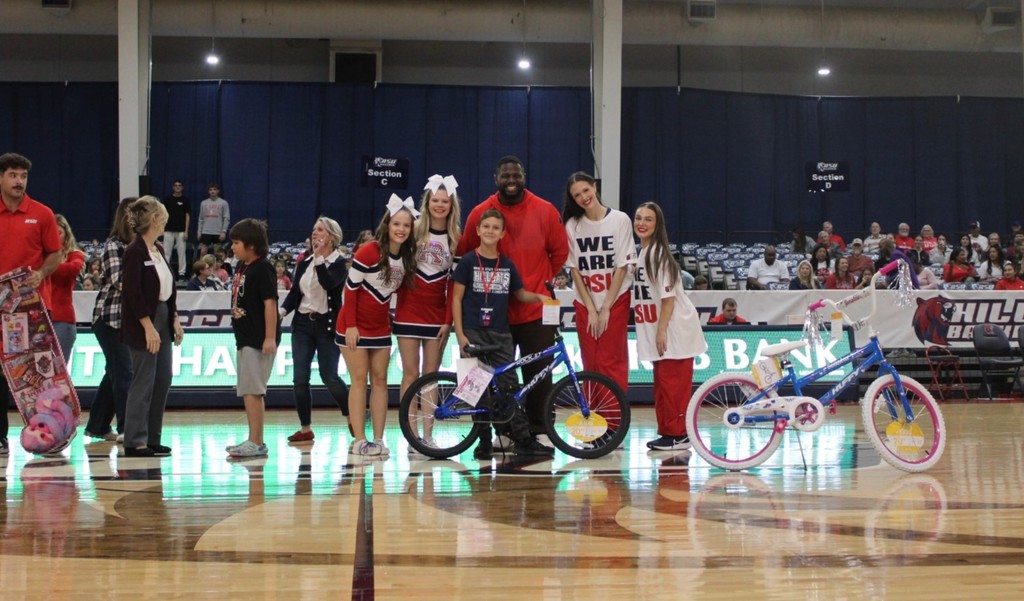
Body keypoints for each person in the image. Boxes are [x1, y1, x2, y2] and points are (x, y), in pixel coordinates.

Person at [455, 156, 569, 446]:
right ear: (496, 178)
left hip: (534, 309)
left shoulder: (545, 210)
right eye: (505, 176)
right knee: (493, 377)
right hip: (493, 314)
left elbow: (560, 252)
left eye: (516, 175)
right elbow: (467, 252)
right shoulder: (481, 213)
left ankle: (540, 429)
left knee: (539, 373)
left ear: (524, 176)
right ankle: (503, 432)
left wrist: (539, 281)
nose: (511, 181)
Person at [451, 208, 554, 459]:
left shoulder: (506, 265)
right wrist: (460, 334)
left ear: (502, 233)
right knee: (475, 389)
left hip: (500, 334)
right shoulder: (467, 262)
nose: (490, 231)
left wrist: (540, 297)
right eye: (486, 226)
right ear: (478, 230)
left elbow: (520, 294)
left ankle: (523, 439)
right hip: (473, 332)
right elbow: (456, 298)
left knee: (510, 388)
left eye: (495, 227)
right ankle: (483, 442)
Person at [336, 195, 418, 457]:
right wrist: (351, 325)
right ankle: (360, 440)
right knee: (359, 380)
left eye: (406, 225)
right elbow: (350, 289)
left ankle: (380, 439)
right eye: (397, 224)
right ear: (387, 224)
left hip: (380, 327)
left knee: (381, 380)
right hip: (354, 326)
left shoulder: (407, 256)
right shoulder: (369, 251)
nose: (401, 229)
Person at [632, 202, 708, 451]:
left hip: (674, 329)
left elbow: (668, 298)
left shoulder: (659, 254)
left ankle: (679, 434)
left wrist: (661, 330)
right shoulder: (643, 252)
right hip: (662, 327)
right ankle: (668, 432)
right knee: (663, 384)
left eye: (648, 219)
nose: (641, 223)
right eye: (638, 218)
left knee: (674, 385)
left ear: (658, 225)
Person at [393, 175, 461, 453]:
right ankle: (411, 437)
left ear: (451, 204)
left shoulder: (456, 237)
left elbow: (454, 284)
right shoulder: (414, 229)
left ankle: (428, 435)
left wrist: (448, 320)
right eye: (435, 200)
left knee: (430, 375)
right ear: (427, 202)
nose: (440, 205)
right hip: (408, 309)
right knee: (410, 374)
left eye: (445, 201)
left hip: (436, 314)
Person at [0, 153, 62, 455]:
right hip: (1, 310)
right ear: (1, 178)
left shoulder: (42, 213)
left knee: (39, 373)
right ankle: (0, 436)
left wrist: (42, 273)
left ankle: (48, 432)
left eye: (23, 176)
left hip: (33, 309)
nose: (19, 181)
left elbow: (56, 254)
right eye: (13, 175)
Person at [120, 196, 185, 457]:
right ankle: (135, 439)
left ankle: (152, 437)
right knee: (144, 379)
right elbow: (133, 293)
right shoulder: (134, 251)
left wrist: (174, 317)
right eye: (164, 218)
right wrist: (148, 326)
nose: (166, 223)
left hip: (163, 315)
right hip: (143, 320)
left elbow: (167, 288)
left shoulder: (157, 249)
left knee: (162, 378)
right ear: (156, 219)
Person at [279, 217, 351, 444]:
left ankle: (353, 416)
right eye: (313, 230)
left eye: (320, 230)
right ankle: (305, 428)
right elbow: (295, 293)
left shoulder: (340, 263)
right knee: (300, 378)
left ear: (331, 236)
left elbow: (329, 283)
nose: (314, 233)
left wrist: (319, 259)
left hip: (326, 326)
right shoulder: (304, 262)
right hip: (302, 324)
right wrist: (281, 311)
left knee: (329, 376)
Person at [562, 171, 634, 396]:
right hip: (586, 303)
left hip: (616, 299)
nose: (583, 197)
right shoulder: (572, 225)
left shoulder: (620, 219)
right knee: (590, 362)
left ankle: (615, 415)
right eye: (577, 195)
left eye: (586, 190)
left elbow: (622, 267)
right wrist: (592, 309)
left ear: (594, 187)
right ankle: (593, 414)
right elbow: (574, 270)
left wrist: (606, 308)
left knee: (611, 361)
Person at [224, 219, 280, 458]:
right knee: (247, 389)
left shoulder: (263, 268)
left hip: (258, 338)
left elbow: (270, 303)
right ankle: (253, 439)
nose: (232, 247)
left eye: (237, 242)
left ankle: (256, 441)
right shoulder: (241, 266)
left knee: (253, 390)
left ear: (251, 245)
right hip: (244, 337)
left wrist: (270, 337)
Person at [84, 197, 136, 442]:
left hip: (129, 320)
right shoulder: (113, 245)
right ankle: (128, 429)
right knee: (124, 372)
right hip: (109, 318)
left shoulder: (148, 246)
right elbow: (119, 280)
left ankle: (97, 425)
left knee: (115, 372)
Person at [47, 214, 86, 361]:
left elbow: (72, 269)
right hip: (39, 318)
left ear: (66, 234)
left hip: (62, 319)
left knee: (59, 368)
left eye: (59, 233)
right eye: (52, 233)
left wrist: (45, 267)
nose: (55, 237)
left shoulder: (74, 254)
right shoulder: (39, 254)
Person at [161, 180, 191, 279]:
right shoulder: (167, 199)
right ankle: (165, 271)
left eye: (179, 185)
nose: (177, 187)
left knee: (181, 253)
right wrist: (162, 228)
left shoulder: (185, 200)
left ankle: (182, 273)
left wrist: (186, 231)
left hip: (181, 231)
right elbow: (162, 214)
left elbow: (187, 216)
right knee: (166, 252)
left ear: (182, 187)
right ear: (173, 187)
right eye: (176, 185)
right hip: (168, 230)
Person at [197, 182, 230, 256]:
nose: (213, 191)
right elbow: (201, 219)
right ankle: (202, 264)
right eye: (211, 190)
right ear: (208, 191)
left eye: (214, 189)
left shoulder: (223, 203)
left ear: (218, 191)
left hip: (218, 231)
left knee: (218, 253)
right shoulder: (203, 203)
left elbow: (226, 218)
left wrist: (223, 232)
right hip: (206, 231)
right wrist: (199, 231)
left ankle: (218, 264)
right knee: (203, 253)